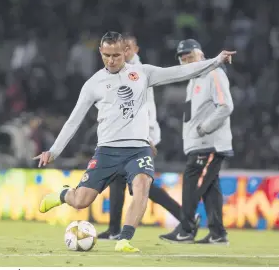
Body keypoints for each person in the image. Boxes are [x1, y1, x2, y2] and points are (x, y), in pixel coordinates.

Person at [34, 32, 236, 253]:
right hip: (107, 151)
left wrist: (215, 61)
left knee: (142, 186)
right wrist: (53, 152)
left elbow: (180, 72)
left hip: (138, 149)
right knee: (81, 201)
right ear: (101, 52)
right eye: (107, 55)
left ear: (125, 52)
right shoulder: (93, 84)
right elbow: (74, 121)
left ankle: (124, 239)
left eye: (117, 55)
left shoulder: (142, 73)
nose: (111, 60)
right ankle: (64, 194)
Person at [97, 33, 195, 240]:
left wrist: (146, 137)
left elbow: (147, 108)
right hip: (127, 135)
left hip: (142, 136)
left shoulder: (138, 72)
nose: (126, 51)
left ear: (135, 50)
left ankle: (186, 218)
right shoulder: (121, 72)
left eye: (129, 47)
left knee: (141, 186)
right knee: (118, 180)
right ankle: (114, 228)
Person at [159, 39, 234, 245]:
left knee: (192, 183)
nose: (186, 60)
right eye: (182, 58)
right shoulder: (194, 79)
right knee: (210, 187)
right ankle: (218, 233)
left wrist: (204, 128)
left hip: (209, 143)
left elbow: (225, 106)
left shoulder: (213, 73)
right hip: (199, 143)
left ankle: (186, 229)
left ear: (200, 54)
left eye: (189, 55)